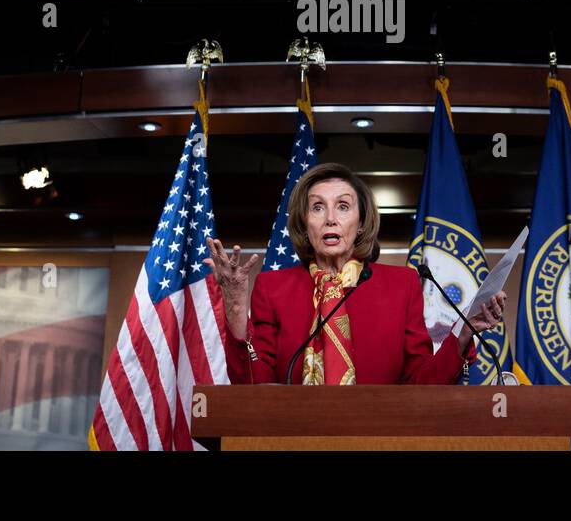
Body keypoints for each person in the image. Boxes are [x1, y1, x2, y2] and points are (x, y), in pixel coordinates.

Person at [206, 162, 507, 384]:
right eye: (318, 208)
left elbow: (422, 384)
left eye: (343, 207)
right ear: (304, 224)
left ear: (361, 222)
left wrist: (464, 333)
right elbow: (254, 384)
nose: (331, 219)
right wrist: (234, 306)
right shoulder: (273, 288)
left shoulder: (401, 285)